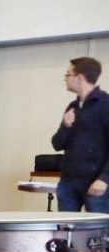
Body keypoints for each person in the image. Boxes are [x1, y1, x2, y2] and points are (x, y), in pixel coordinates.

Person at [51, 56, 109, 213]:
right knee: (66, 232)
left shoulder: (105, 105)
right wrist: (65, 126)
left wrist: (104, 179)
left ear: (80, 77)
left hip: (96, 183)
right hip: (69, 183)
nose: (65, 79)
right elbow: (57, 144)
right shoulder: (73, 106)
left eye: (68, 74)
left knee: (98, 234)